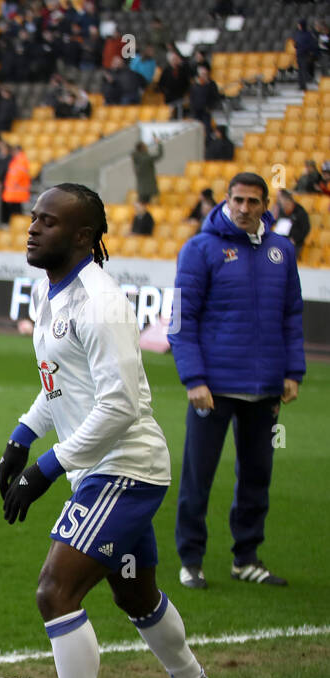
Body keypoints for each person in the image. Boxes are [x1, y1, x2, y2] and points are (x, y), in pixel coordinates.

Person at [0, 182, 226, 678]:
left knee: (55, 591)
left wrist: (45, 469)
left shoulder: (99, 301)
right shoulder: (56, 291)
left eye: (47, 221)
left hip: (122, 469)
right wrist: (23, 433)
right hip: (100, 466)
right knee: (135, 594)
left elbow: (119, 405)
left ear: (80, 236)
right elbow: (62, 386)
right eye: (32, 217)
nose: (32, 227)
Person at [170, 172, 304, 589]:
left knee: (257, 476)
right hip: (213, 388)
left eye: (253, 202)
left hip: (264, 387)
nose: (245, 209)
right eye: (238, 201)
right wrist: (194, 379)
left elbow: (291, 316)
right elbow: (181, 320)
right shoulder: (199, 249)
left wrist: (292, 371)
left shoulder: (282, 250)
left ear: (267, 205)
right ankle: (191, 560)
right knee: (198, 476)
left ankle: (246, 557)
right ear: (226, 201)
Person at [272, 188, 310, 256]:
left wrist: (295, 239)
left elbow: (305, 228)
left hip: (294, 242)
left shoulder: (300, 212)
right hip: (281, 239)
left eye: (286, 204)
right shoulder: (281, 211)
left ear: (290, 202)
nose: (284, 207)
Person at [131, 138, 163, 203]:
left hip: (141, 189)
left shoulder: (136, 159)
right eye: (145, 146)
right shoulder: (146, 158)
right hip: (149, 188)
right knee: (147, 207)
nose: (147, 148)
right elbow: (159, 155)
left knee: (142, 205)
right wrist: (159, 144)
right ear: (142, 148)